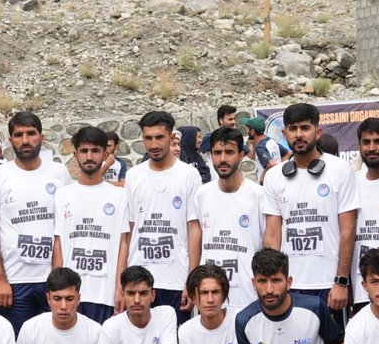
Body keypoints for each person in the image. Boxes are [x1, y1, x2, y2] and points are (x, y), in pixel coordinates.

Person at [260, 102, 359, 332]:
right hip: (289, 285)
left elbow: (347, 231)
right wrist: (274, 282)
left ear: (318, 131)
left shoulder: (340, 170)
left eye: (305, 128)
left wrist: (341, 281)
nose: (298, 134)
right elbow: (272, 235)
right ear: (284, 133)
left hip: (329, 284)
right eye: (292, 129)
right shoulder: (274, 177)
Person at [0, 111, 71, 331]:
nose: (25, 140)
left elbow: (67, 226)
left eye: (31, 133)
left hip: (52, 281)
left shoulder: (59, 172)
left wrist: (61, 277)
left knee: (55, 342)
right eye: (18, 135)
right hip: (14, 282)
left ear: (42, 136)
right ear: (10, 139)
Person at [118, 110, 202, 313]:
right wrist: (121, 281)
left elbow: (194, 228)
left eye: (159, 137)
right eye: (148, 138)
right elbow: (128, 231)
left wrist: (191, 280)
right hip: (139, 281)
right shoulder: (134, 175)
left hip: (175, 279)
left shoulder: (189, 175)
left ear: (171, 138)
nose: (154, 144)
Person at [187, 125, 264, 314]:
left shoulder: (258, 195)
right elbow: (195, 241)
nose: (222, 159)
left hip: (247, 295)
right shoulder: (202, 194)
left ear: (241, 155)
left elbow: (268, 245)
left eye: (229, 152)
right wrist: (190, 282)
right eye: (217, 152)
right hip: (210, 298)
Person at [53, 126, 125, 325]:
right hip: (71, 295)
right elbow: (58, 242)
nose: (89, 156)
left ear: (105, 154)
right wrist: (57, 286)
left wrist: (120, 287)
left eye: (95, 151)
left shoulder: (119, 196)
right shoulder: (62, 195)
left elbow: (123, 243)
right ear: (75, 155)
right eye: (84, 151)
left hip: (104, 294)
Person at [350, 118, 379, 308]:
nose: (371, 148)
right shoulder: (351, 182)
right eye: (366, 142)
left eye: (378, 142)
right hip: (360, 286)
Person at [245, 115, 282, 182]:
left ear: (252, 131)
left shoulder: (260, 147)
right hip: (276, 180)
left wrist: (261, 178)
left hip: (267, 184)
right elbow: (288, 154)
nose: (246, 131)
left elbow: (271, 164)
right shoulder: (271, 141)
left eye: (247, 129)